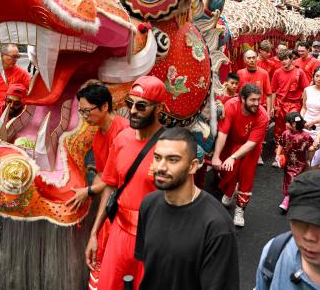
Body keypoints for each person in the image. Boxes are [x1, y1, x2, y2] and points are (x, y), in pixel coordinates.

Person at [85, 75, 166, 290]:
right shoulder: (121, 139)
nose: (133, 111)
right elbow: (110, 186)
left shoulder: (172, 146)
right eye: (130, 104)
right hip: (119, 234)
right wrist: (95, 234)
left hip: (154, 239)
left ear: (159, 108)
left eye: (141, 106)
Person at [134, 127, 239, 290]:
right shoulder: (148, 205)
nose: (161, 167)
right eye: (157, 157)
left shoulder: (217, 225)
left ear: (193, 166)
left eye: (173, 159)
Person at [71, 82, 129, 288]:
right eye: (81, 111)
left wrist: (87, 191)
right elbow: (104, 174)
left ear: (104, 106)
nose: (84, 116)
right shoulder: (98, 135)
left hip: (125, 207)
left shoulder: (124, 132)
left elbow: (114, 180)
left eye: (87, 110)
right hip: (112, 202)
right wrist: (85, 193)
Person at [212, 84, 269, 227]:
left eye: (258, 99)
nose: (257, 103)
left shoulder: (263, 115)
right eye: (253, 100)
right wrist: (216, 156)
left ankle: (240, 210)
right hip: (231, 143)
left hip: (251, 149)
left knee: (246, 178)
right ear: (242, 99)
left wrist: (233, 157)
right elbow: (223, 132)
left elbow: (251, 143)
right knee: (228, 171)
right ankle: (230, 191)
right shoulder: (231, 105)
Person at [276, 112, 313, 213]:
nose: (285, 124)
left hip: (299, 163)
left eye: (287, 122)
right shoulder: (285, 133)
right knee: (288, 179)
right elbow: (281, 143)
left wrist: (312, 151)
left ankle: (287, 200)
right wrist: (278, 155)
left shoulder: (305, 136)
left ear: (293, 123)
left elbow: (310, 147)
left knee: (293, 179)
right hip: (288, 162)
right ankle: (292, 197)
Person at [271, 49, 310, 139]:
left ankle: (293, 148)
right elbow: (273, 90)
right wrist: (273, 106)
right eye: (281, 60)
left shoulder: (299, 72)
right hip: (280, 104)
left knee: (294, 127)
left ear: (291, 59)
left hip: (294, 104)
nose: (283, 61)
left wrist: (305, 106)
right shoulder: (277, 72)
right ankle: (279, 149)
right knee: (279, 128)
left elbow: (306, 90)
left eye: (285, 59)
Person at [238, 50, 272, 115]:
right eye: (249, 58)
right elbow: (236, 93)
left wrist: (268, 113)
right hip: (243, 110)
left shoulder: (264, 73)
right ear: (244, 60)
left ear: (257, 59)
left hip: (258, 108)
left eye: (253, 57)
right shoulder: (240, 73)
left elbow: (268, 94)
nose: (251, 60)